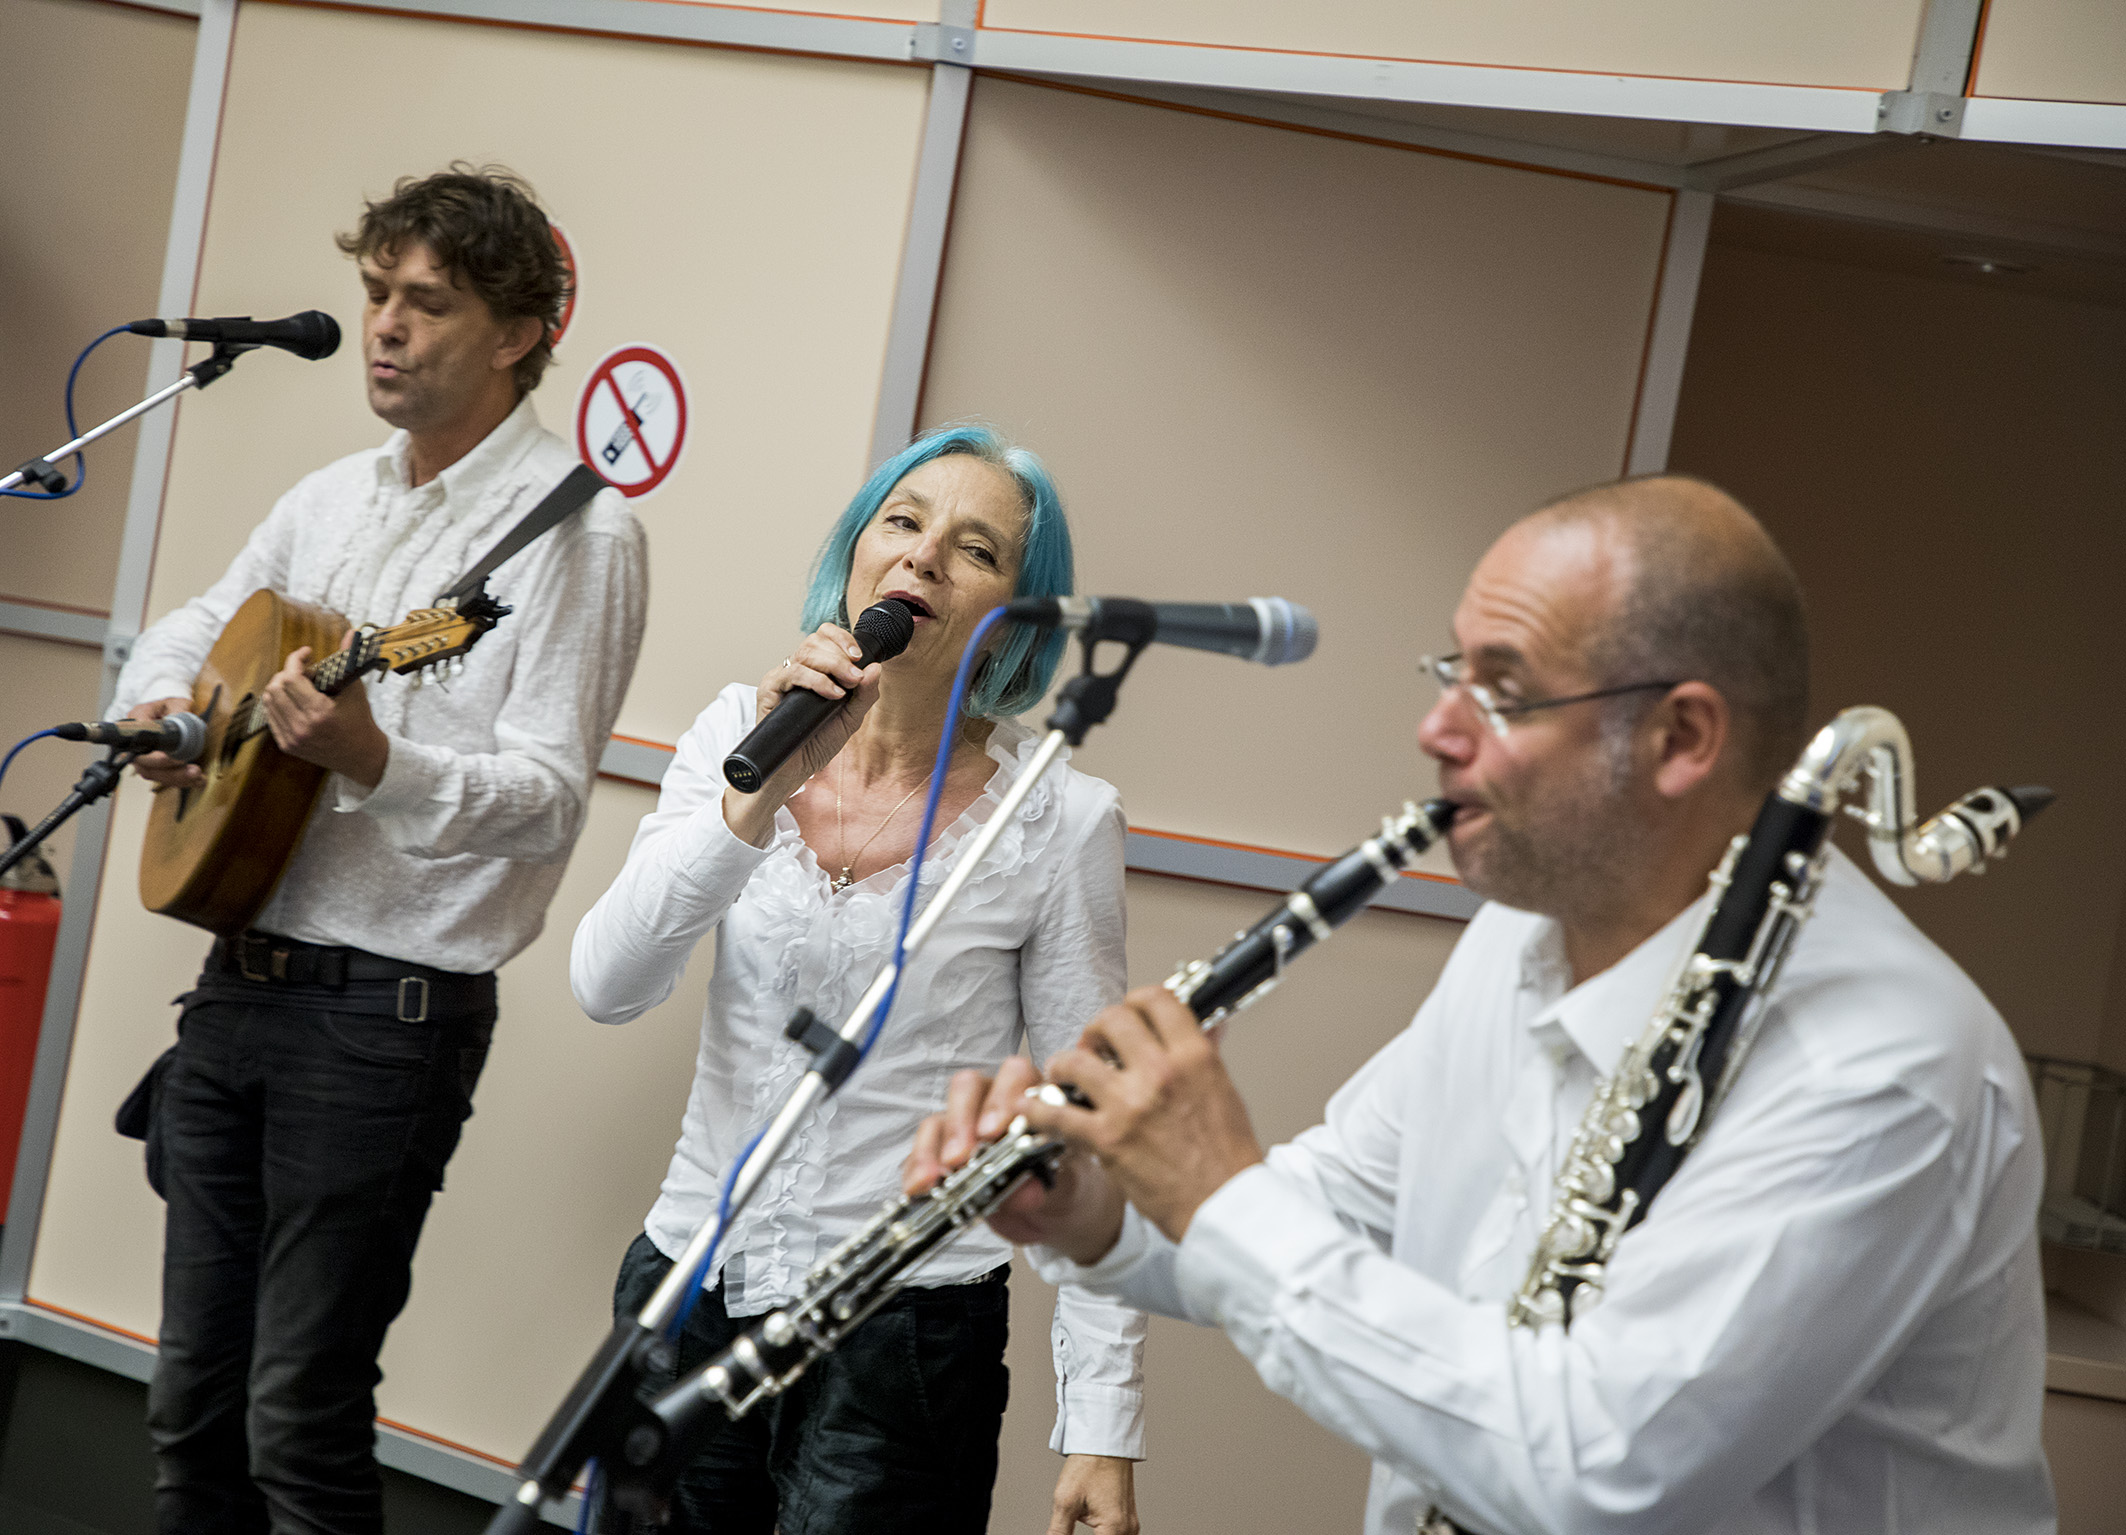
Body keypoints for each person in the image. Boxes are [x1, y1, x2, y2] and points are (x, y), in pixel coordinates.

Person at [911, 475, 2054, 1535]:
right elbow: (1337, 1205)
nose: (1437, 729)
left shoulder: (1881, 1066)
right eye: (1450, 671)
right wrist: (1099, 1205)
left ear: (1681, 736)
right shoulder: (1525, 931)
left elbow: (1592, 1470)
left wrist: (1218, 1190)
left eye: (1501, 690)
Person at [112, 165, 648, 1534]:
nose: (386, 326)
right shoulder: (329, 497)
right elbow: (197, 622)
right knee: (187, 1408)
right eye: (375, 293)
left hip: (383, 1020)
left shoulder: (578, 531)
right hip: (238, 981)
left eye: (427, 301)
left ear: (519, 332)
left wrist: (375, 759)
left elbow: (546, 799)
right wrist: (166, 708)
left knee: (297, 1417)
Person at [570, 424, 1144, 1535]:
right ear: (854, 556)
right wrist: (755, 798)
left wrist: (1102, 1422)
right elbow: (608, 982)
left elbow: (1086, 1126)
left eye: (975, 548)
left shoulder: (1059, 817)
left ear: (1017, 618)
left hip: (903, 1341)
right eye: (902, 521)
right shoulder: (735, 734)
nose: (923, 555)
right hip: (688, 1291)